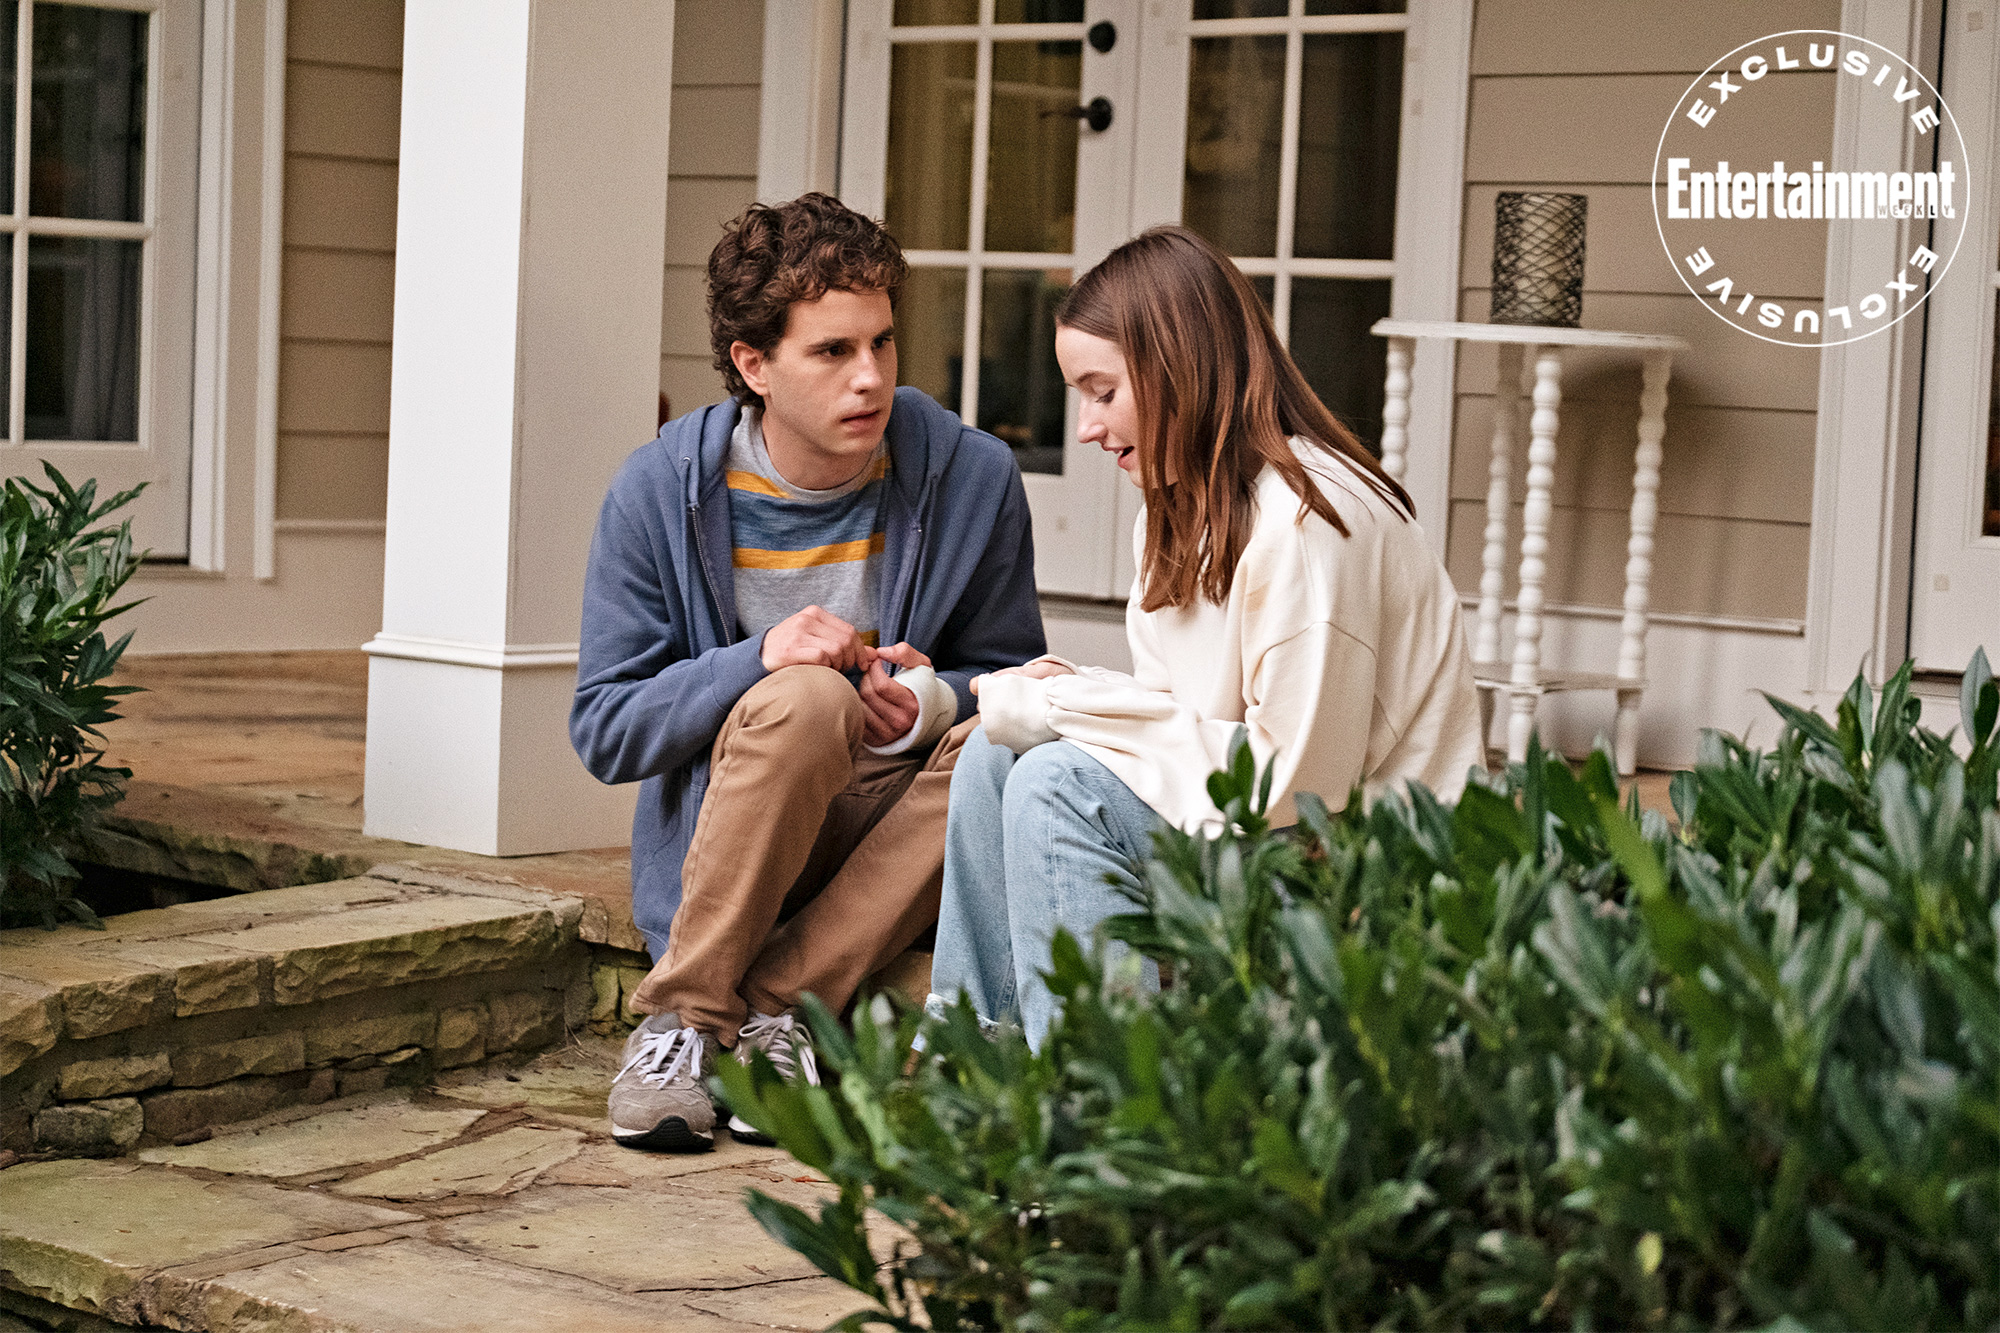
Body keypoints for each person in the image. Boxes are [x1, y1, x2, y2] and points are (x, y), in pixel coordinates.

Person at [931, 225, 1485, 1048]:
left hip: (1352, 866)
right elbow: (1185, 718)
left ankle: (1104, 1097)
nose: (1084, 428)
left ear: (1177, 368)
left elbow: (1299, 785)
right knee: (995, 755)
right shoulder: (1176, 510)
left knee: (1057, 783)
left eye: (1103, 392)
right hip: (1255, 832)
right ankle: (976, 1058)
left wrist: (1075, 709)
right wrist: (1077, 696)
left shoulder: (1307, 524)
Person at [571, 194, 1046, 1149]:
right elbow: (607, 729)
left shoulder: (973, 476)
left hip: (886, 836)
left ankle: (780, 1010)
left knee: (1006, 741)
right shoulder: (659, 491)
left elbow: (1013, 675)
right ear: (754, 365)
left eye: (882, 342)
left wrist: (933, 699)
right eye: (833, 351)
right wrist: (755, 661)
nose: (870, 377)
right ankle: (684, 1018)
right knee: (801, 697)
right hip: (736, 837)